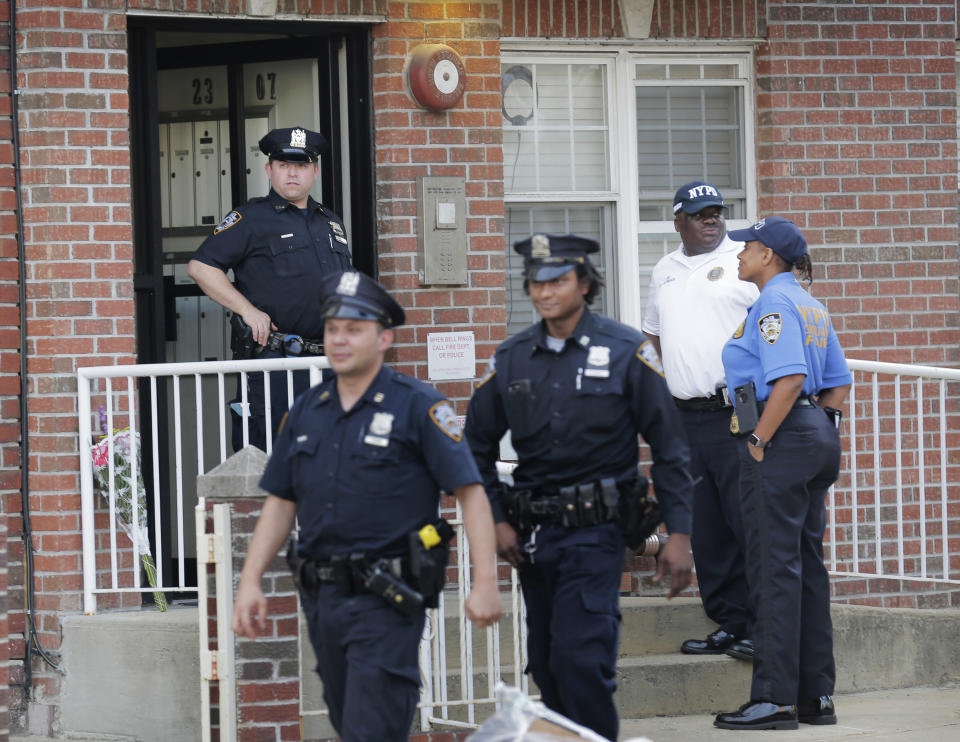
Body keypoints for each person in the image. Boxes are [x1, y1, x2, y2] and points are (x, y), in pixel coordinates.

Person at [232, 270, 502, 742]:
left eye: (353, 329)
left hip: (389, 596)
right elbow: (281, 500)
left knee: (369, 728)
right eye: (333, 328)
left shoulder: (419, 407)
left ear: (384, 339)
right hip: (324, 599)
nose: (339, 339)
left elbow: (470, 493)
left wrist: (484, 583)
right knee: (347, 720)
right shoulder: (306, 410)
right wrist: (250, 580)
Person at [464, 233, 695, 742]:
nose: (545, 293)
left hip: (597, 532)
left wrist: (679, 535)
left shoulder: (626, 350)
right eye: (535, 283)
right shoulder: (511, 357)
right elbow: (474, 446)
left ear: (585, 284)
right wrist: (496, 519)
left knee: (581, 662)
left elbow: (670, 446)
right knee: (547, 667)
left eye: (558, 281)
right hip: (533, 536)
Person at [714, 217, 851, 731]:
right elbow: (837, 382)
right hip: (812, 435)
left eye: (746, 246)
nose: (739, 254)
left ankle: (773, 700)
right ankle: (816, 696)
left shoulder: (773, 302)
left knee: (772, 570)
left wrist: (759, 440)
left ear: (769, 255)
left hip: (780, 437)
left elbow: (790, 378)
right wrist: (820, 425)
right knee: (806, 567)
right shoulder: (809, 303)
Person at [643, 181, 759, 661]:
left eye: (716, 212)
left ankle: (762, 626)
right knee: (705, 528)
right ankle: (730, 622)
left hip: (737, 413)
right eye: (699, 213)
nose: (711, 220)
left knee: (746, 522)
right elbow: (652, 338)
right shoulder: (664, 270)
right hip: (685, 418)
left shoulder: (745, 260)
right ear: (678, 222)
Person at [187, 126, 352, 452]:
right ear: (269, 169)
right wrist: (247, 310)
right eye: (283, 164)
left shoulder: (331, 222)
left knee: (333, 461)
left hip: (331, 363)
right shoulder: (251, 218)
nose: (293, 172)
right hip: (278, 364)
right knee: (274, 462)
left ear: (314, 171)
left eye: (302, 165)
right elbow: (201, 268)